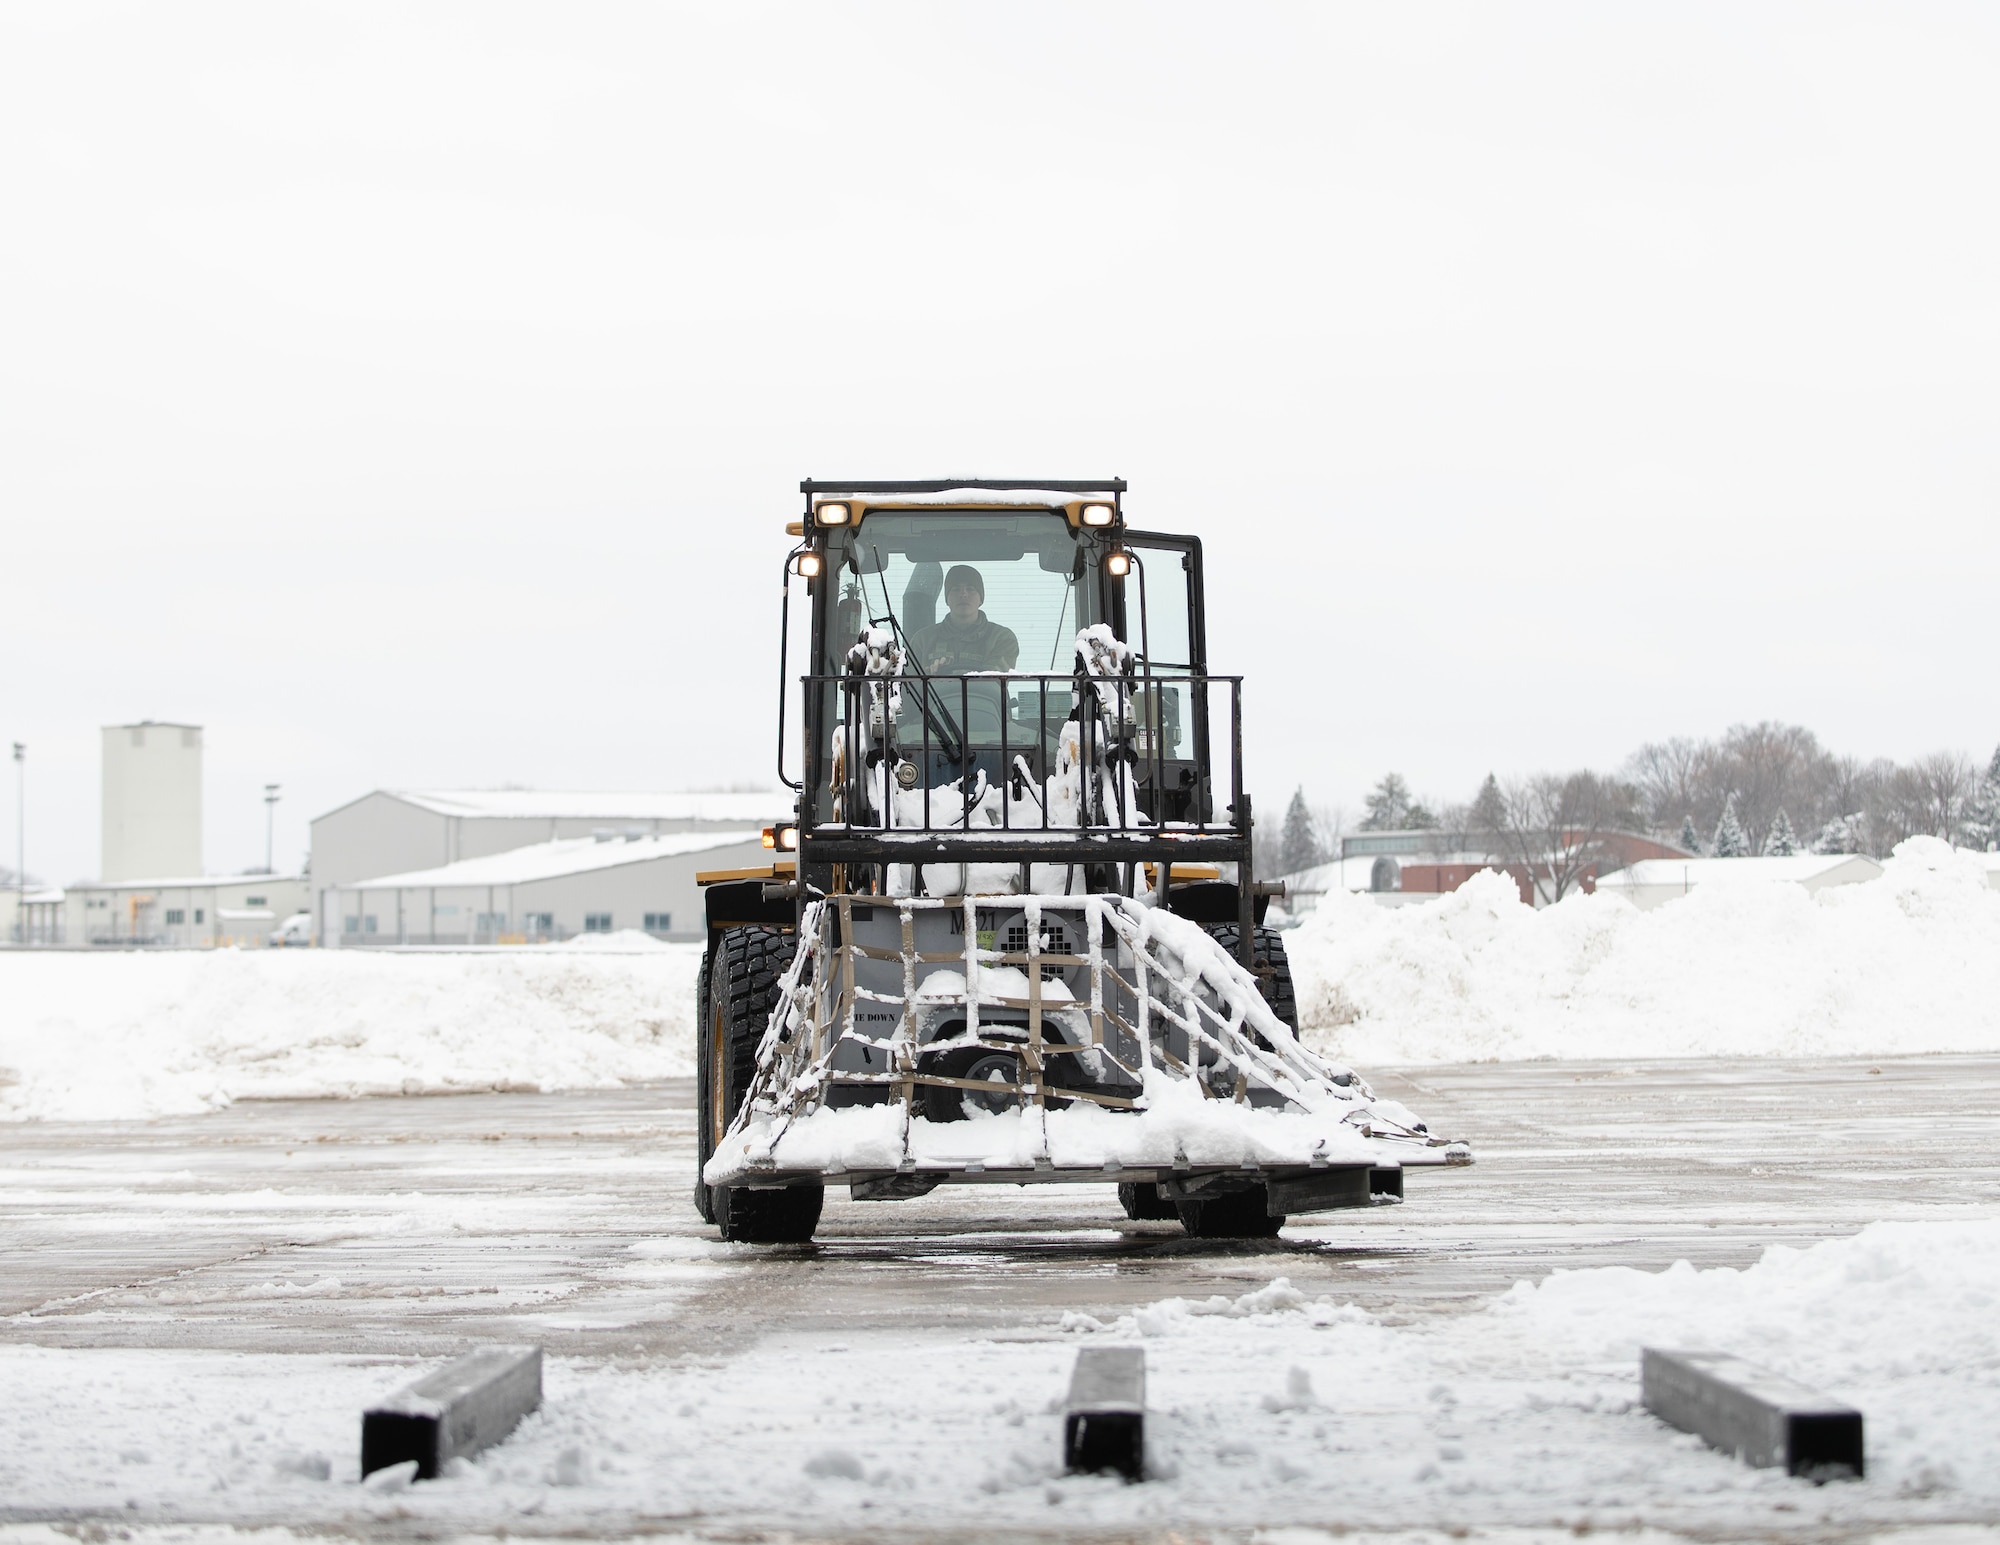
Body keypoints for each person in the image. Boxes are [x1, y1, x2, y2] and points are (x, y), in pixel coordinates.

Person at [909, 564, 1019, 674]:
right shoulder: (922, 641)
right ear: (947, 599)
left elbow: (995, 679)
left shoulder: (1001, 638)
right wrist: (929, 676)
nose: (963, 594)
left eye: (970, 589)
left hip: (979, 692)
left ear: (981, 599)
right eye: (956, 589)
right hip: (932, 692)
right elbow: (910, 686)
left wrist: (945, 675)